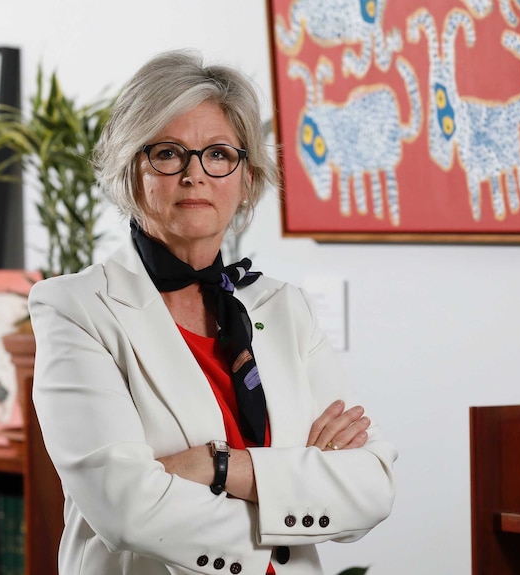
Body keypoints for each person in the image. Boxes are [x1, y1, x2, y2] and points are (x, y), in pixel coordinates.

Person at [29, 49, 397, 575]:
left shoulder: (283, 307)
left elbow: (372, 485)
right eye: (168, 153)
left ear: (247, 178)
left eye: (219, 154)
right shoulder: (75, 308)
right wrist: (295, 490)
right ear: (130, 171)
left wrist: (218, 467)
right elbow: (127, 510)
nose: (194, 175)